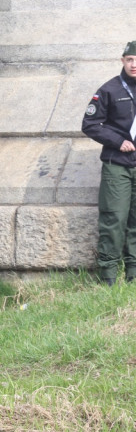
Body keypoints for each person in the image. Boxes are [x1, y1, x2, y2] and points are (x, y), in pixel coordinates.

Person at [82, 40, 136, 285]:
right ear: (123, 61)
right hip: (118, 165)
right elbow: (90, 125)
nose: (134, 64)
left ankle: (133, 276)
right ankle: (108, 278)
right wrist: (117, 141)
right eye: (130, 59)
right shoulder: (109, 90)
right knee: (114, 220)